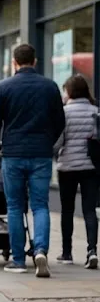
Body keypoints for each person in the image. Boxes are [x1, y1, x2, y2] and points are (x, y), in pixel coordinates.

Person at [0, 43, 65, 277]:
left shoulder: (4, 87)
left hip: (13, 153)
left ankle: (18, 260)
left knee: (14, 206)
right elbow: (60, 121)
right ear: (35, 61)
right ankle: (40, 250)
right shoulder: (49, 86)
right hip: (41, 153)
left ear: (14, 62)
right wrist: (48, 141)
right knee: (40, 205)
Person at [53, 74, 98, 269]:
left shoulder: (64, 113)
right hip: (91, 167)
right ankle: (92, 251)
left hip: (68, 167)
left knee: (67, 210)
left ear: (70, 92)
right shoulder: (96, 112)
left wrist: (55, 152)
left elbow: (58, 142)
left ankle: (67, 253)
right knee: (89, 210)